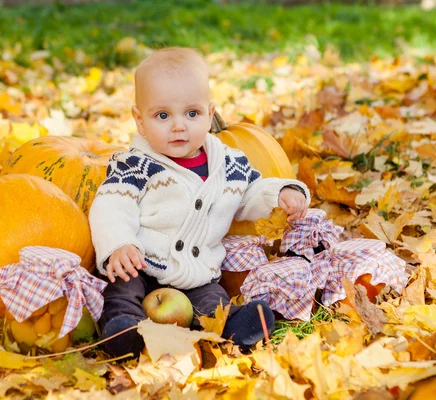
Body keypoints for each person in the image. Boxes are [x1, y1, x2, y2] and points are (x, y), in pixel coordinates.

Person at [88, 47, 310, 358]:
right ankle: (127, 333)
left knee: (212, 302)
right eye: (162, 115)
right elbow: (112, 204)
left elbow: (250, 194)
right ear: (139, 120)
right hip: (141, 263)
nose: (179, 126)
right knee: (120, 288)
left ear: (209, 112)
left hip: (197, 272)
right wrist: (119, 244)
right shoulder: (135, 164)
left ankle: (236, 328)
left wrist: (280, 193)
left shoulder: (228, 163)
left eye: (192, 114)